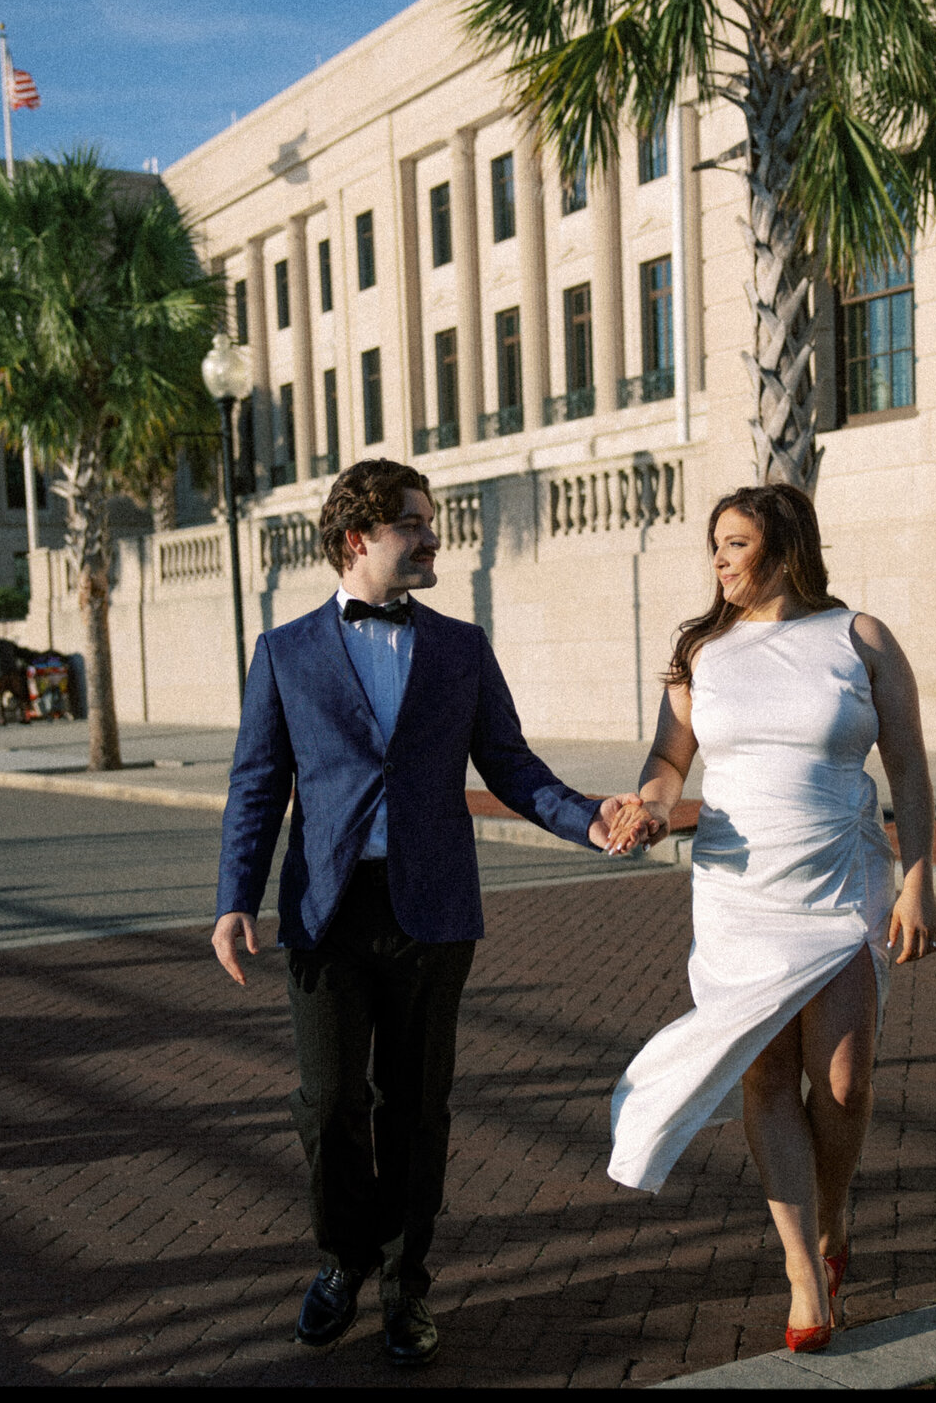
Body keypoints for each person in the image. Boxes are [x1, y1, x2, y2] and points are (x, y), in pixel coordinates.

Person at [212, 458, 649, 1367]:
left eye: (429, 520)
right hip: (326, 914)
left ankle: (410, 1283)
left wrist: (590, 819)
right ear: (356, 539)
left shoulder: (461, 647)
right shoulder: (284, 653)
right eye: (414, 523)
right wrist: (234, 901)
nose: (432, 536)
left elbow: (513, 766)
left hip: (432, 912)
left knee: (416, 1107)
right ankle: (342, 1262)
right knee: (328, 1103)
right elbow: (257, 785)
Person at [607, 483, 936, 1352]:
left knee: (842, 1083)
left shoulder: (859, 638)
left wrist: (919, 879)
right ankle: (803, 1272)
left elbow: (905, 762)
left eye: (735, 544)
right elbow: (668, 759)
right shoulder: (700, 650)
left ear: (784, 546)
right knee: (766, 1079)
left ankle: (831, 1222)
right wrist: (649, 806)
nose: (718, 561)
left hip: (841, 883)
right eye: (713, 546)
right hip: (738, 892)